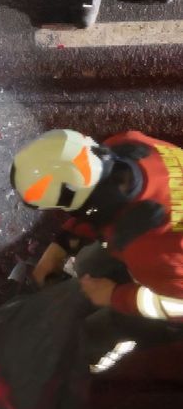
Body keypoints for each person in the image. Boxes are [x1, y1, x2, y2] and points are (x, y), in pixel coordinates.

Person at [12, 129, 183, 362]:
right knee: (88, 262)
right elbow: (98, 198)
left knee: (107, 326)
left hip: (172, 289)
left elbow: (177, 306)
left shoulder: (151, 254)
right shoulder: (124, 144)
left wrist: (116, 296)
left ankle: (102, 359)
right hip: (162, 255)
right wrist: (62, 244)